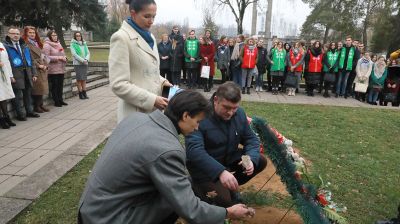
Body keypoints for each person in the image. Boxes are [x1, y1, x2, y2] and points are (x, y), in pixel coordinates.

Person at [78, 90, 255, 224]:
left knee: (178, 188)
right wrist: (228, 213)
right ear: (185, 116)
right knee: (175, 200)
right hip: (108, 218)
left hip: (92, 206)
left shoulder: (137, 119)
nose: (197, 128)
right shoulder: (167, 150)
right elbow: (190, 209)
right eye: (198, 122)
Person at [185, 82, 267, 207]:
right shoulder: (199, 115)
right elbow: (194, 151)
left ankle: (230, 187)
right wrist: (220, 172)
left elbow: (251, 139)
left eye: (234, 108)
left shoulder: (239, 113)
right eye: (226, 107)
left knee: (259, 161)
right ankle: (196, 187)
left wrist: (250, 158)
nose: (230, 112)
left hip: (229, 158)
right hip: (204, 169)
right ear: (216, 100)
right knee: (225, 203)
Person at [108, 0, 172, 122]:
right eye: (147, 16)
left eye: (154, 16)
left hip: (154, 113)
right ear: (133, 14)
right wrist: (152, 100)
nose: (151, 21)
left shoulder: (151, 37)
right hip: (134, 114)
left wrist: (163, 82)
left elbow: (148, 70)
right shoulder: (121, 38)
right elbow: (118, 84)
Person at [3, 27, 39, 120]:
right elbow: (6, 62)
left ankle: (30, 111)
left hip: (27, 73)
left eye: (17, 34)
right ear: (8, 35)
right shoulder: (5, 46)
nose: (16, 35)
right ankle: (20, 114)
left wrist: (34, 74)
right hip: (16, 75)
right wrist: (10, 76)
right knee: (18, 96)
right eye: (13, 34)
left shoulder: (24, 45)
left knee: (27, 94)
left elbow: (31, 60)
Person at [23, 26, 50, 113]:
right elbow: (29, 58)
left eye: (33, 33)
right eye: (30, 32)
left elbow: (43, 55)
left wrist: (45, 64)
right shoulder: (25, 44)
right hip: (35, 68)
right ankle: (36, 106)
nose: (32, 34)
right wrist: (39, 65)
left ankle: (41, 105)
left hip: (43, 67)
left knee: (42, 88)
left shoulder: (37, 43)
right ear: (26, 33)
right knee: (37, 88)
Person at [43, 30, 68, 107]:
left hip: (61, 68)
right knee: (55, 86)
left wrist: (65, 57)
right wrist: (59, 58)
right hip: (53, 70)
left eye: (56, 35)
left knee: (60, 85)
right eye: (53, 35)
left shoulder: (58, 43)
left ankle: (60, 100)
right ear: (49, 36)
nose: (55, 37)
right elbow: (45, 58)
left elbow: (62, 53)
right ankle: (56, 101)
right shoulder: (46, 45)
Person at [0, 42, 16, 129]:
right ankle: (1, 119)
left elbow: (7, 61)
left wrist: (10, 75)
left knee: (3, 97)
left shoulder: (1, 44)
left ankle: (7, 117)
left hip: (3, 75)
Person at [70, 31, 91, 100]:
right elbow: (74, 55)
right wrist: (82, 60)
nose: (78, 37)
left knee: (84, 79)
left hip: (85, 63)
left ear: (81, 36)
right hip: (78, 64)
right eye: (77, 36)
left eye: (79, 35)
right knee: (79, 79)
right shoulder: (72, 44)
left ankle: (84, 92)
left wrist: (86, 59)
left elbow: (88, 52)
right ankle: (80, 93)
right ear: (75, 37)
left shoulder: (84, 43)